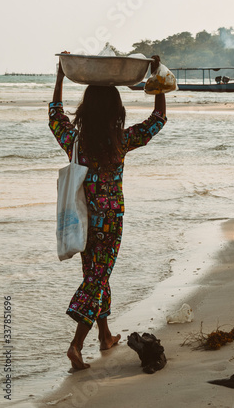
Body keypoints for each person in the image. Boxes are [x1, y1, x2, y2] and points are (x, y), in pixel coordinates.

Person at [49, 55, 167, 370]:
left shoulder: (75, 141)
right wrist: (157, 81)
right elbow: (158, 118)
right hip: (110, 222)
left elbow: (55, 115)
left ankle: (105, 336)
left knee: (97, 275)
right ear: (117, 111)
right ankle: (76, 345)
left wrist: (60, 77)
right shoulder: (121, 140)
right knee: (97, 278)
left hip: (83, 221)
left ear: (86, 109)